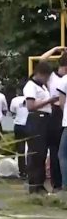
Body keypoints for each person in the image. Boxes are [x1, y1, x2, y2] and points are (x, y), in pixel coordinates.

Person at [24, 61, 58, 194]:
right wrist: (48, 101)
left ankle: (40, 183)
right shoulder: (31, 86)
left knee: (43, 152)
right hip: (37, 119)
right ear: (39, 74)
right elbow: (30, 106)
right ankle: (34, 184)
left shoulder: (42, 87)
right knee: (37, 153)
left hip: (45, 119)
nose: (46, 80)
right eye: (45, 77)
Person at [38, 47, 67, 192]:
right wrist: (56, 49)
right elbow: (42, 60)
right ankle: (57, 183)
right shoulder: (52, 77)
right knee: (55, 149)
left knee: (62, 150)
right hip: (55, 112)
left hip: (64, 112)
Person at [9, 87, 28, 180]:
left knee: (20, 149)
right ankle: (31, 170)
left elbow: (12, 111)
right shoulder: (31, 98)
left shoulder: (14, 100)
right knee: (32, 148)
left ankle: (22, 171)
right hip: (31, 124)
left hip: (19, 125)